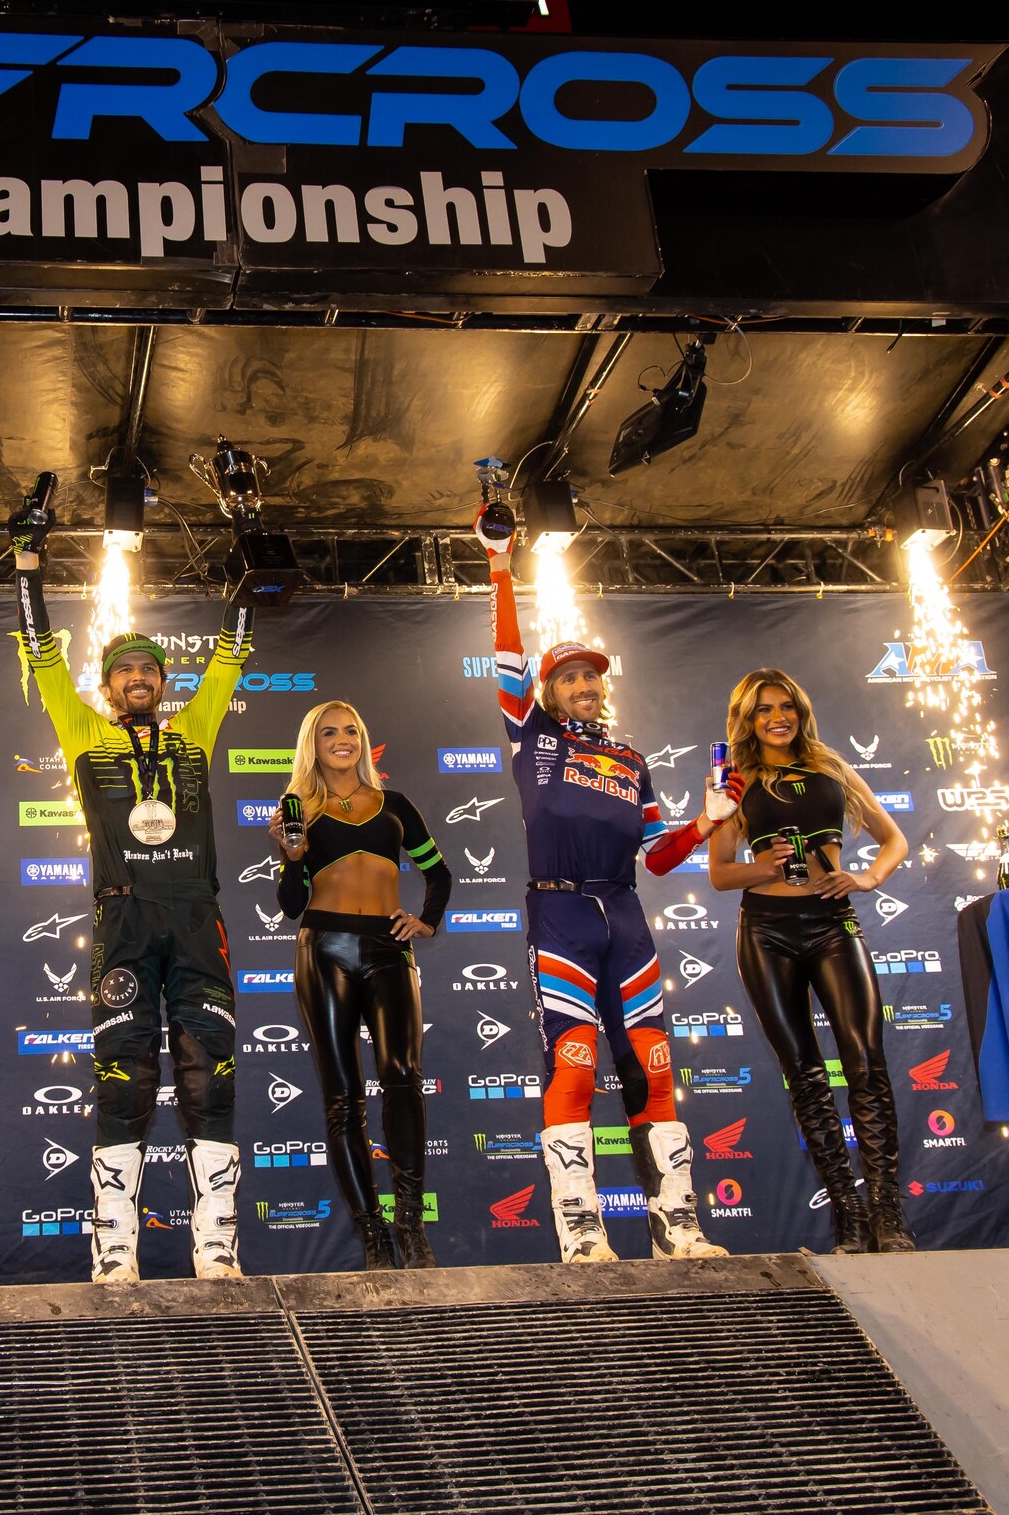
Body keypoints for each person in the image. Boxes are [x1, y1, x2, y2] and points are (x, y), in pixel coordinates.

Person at [9, 492, 253, 1282]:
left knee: (208, 1071)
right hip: (121, 920)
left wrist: (247, 545)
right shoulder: (84, 731)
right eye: (125, 671)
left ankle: (216, 1249)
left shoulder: (195, 731)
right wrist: (27, 563)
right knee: (122, 1074)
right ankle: (115, 1253)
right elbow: (42, 653)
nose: (139, 677)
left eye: (149, 668)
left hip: (195, 916)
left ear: (162, 680)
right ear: (109, 686)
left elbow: (231, 652)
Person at [477, 515, 732, 1262]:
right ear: (549, 692)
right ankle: (582, 1234)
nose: (586, 684)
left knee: (654, 1060)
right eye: (571, 677)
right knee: (577, 1060)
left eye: (593, 675)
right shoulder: (532, 735)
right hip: (559, 911)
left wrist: (705, 823)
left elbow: (657, 856)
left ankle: (677, 1225)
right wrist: (500, 566)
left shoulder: (630, 758)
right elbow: (506, 656)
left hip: (624, 913)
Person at [705, 670, 916, 1253]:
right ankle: (847, 1215)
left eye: (787, 706)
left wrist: (869, 877)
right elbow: (721, 874)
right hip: (766, 932)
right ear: (746, 719)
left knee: (866, 1063)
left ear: (801, 711)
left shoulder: (831, 766)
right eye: (764, 709)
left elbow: (893, 837)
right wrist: (766, 868)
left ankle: (888, 1214)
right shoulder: (733, 780)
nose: (779, 716)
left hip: (834, 925)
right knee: (805, 1073)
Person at [270, 700, 451, 1270]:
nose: (342, 739)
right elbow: (292, 904)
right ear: (312, 743)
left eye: (352, 729)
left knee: (402, 1075)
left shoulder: (395, 806)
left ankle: (411, 1226)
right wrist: (292, 855)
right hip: (323, 950)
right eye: (329, 732)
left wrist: (427, 919)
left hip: (389, 950)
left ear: (363, 739)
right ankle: (372, 1235)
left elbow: (438, 871)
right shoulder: (297, 807)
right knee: (343, 1098)